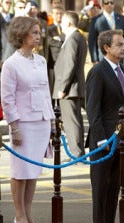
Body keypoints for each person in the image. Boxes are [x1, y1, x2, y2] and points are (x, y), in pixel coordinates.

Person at [1, 16, 54, 223]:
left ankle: (29, 215)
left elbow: (46, 94)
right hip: (22, 123)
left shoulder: (40, 60)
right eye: (34, 32)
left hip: (41, 121)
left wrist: (51, 121)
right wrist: (13, 126)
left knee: (33, 172)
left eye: (39, 32)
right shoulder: (11, 64)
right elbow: (7, 98)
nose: (39, 36)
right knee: (20, 171)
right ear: (21, 35)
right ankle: (19, 217)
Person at [86, 29, 124, 223]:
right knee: (101, 191)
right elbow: (92, 109)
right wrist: (101, 139)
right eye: (119, 45)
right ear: (106, 48)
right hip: (102, 141)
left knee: (114, 189)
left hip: (119, 140)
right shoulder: (98, 71)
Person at [53, 11, 86, 159]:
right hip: (73, 87)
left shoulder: (73, 38)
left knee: (71, 121)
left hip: (69, 88)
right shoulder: (78, 36)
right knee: (74, 120)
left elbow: (70, 64)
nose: (60, 24)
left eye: (62, 22)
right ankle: (78, 151)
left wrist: (63, 88)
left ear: (67, 23)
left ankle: (76, 152)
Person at [88, 0, 124, 65]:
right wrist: (94, 60)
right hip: (103, 58)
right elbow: (92, 41)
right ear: (102, 5)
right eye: (107, 3)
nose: (109, 5)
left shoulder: (121, 18)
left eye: (111, 3)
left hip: (120, 58)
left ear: (114, 5)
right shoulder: (96, 20)